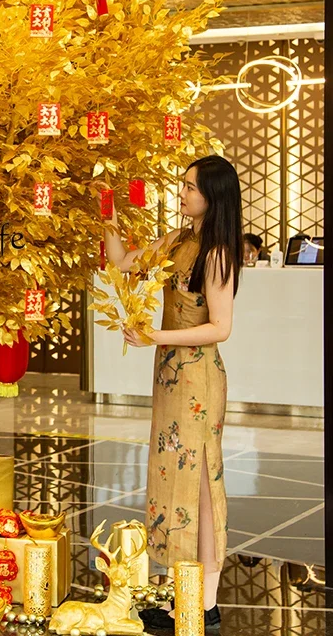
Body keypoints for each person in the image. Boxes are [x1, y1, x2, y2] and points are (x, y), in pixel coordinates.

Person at [99, 155, 243, 632]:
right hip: (170, 375)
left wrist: (156, 337)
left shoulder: (217, 253)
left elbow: (220, 328)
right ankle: (186, 595)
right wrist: (107, 214)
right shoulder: (178, 240)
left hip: (198, 377)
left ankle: (205, 602)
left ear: (213, 196)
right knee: (173, 480)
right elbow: (122, 262)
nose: (181, 194)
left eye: (189, 188)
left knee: (199, 484)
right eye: (182, 185)